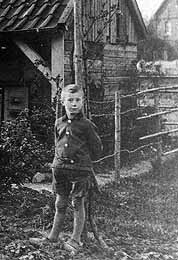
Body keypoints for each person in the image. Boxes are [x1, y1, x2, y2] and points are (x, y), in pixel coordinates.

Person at [31, 83, 103, 254]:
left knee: (78, 203)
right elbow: (57, 144)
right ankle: (52, 237)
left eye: (77, 100)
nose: (74, 104)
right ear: (63, 101)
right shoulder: (58, 123)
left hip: (80, 171)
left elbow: (97, 149)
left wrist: (84, 162)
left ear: (82, 102)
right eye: (70, 100)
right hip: (60, 169)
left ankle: (75, 240)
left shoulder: (87, 125)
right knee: (60, 202)